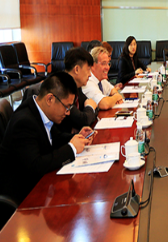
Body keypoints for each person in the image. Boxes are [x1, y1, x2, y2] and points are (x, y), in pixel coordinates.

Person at [0, 72, 93, 205]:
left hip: (39, 185)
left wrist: (77, 137)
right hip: (25, 197)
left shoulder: (39, 110)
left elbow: (55, 138)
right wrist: (72, 148)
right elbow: (36, 166)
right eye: (66, 107)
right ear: (50, 99)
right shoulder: (24, 122)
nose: (67, 113)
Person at [23, 48, 98, 133]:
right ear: (76, 69)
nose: (90, 74)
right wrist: (90, 107)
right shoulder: (61, 89)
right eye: (88, 69)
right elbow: (84, 120)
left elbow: (94, 109)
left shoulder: (76, 86)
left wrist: (90, 109)